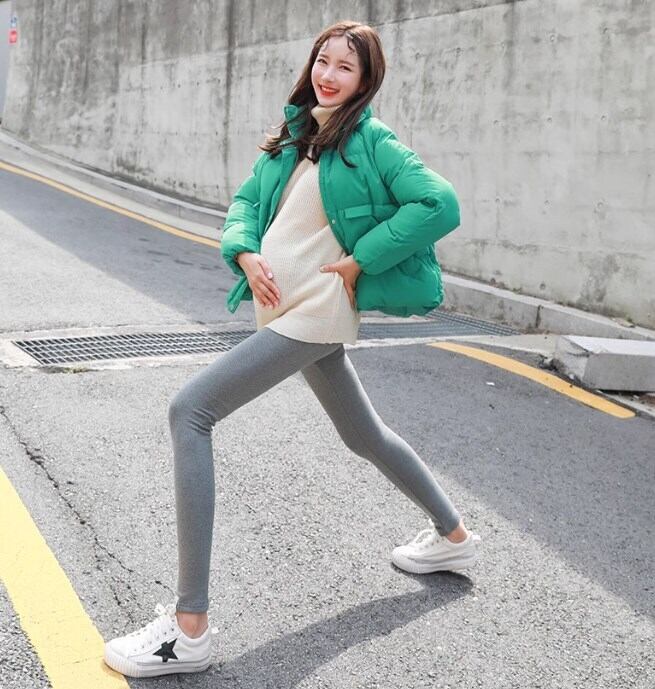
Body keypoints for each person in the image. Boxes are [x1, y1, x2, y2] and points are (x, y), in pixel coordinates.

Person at [103, 20, 482, 679]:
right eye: (322, 61)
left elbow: (438, 203)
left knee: (190, 411)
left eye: (346, 68)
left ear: (366, 81)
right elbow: (247, 203)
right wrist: (245, 252)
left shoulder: (370, 142)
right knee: (363, 434)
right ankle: (453, 536)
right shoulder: (296, 133)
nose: (329, 75)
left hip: (313, 310)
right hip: (286, 308)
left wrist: (361, 259)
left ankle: (189, 628)